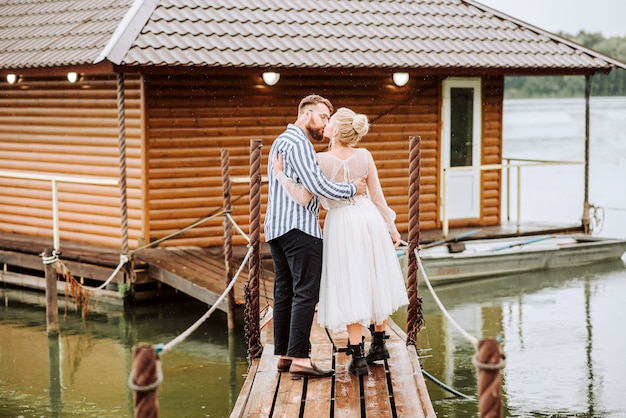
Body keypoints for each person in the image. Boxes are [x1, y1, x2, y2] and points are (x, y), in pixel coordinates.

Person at [273, 107, 408, 376]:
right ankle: (379, 344)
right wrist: (391, 228)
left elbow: (303, 197)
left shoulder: (320, 161)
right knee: (374, 278)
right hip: (369, 219)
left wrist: (280, 175)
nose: (325, 124)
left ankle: (358, 357)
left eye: (329, 122)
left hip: (342, 223)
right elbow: (378, 197)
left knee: (350, 283)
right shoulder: (365, 156)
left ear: (335, 131)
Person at [264, 95, 367, 379]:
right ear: (306, 113)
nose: (325, 124)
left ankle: (285, 354)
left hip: (276, 228)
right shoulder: (299, 143)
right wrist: (351, 189)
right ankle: (299, 359)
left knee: (284, 292)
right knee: (305, 292)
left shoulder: (281, 140)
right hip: (299, 229)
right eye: (323, 117)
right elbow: (316, 184)